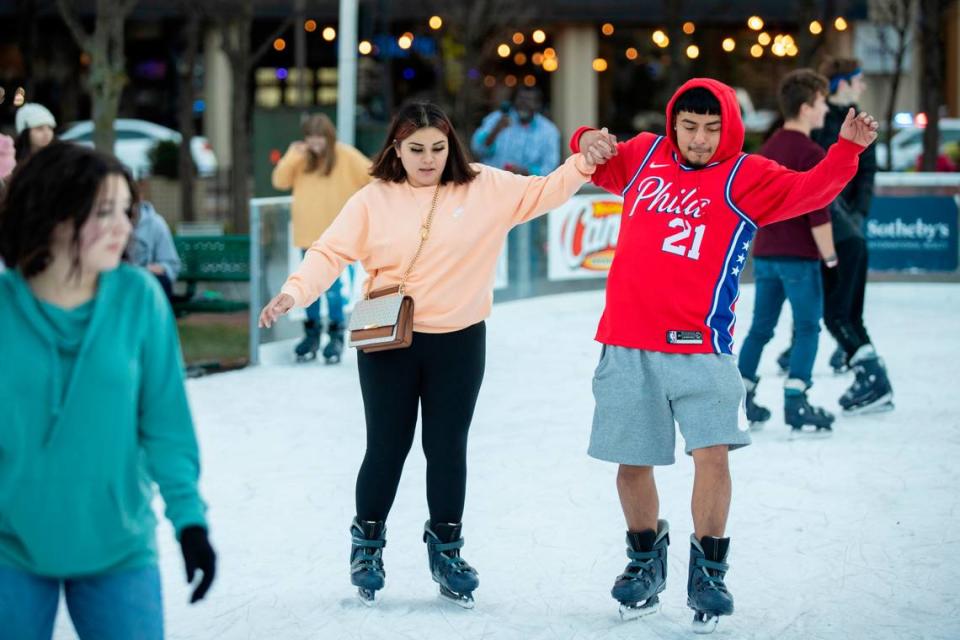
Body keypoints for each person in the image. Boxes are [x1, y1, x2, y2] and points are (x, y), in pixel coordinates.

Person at [260, 102, 604, 607]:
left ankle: (446, 547)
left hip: (459, 340)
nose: (428, 159)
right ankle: (367, 546)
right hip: (388, 340)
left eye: (437, 149)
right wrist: (295, 292)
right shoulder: (373, 199)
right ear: (396, 149)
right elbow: (329, 252)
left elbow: (543, 191)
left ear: (451, 147)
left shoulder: (485, 186)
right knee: (387, 447)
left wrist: (583, 161)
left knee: (447, 447)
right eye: (416, 149)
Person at [572, 78, 878, 632]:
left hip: (702, 349)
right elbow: (592, 153)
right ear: (674, 123)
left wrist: (846, 151)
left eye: (713, 128)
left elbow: (812, 191)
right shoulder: (645, 155)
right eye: (689, 126)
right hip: (627, 341)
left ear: (730, 127)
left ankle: (709, 571)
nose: (700, 139)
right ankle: (645, 559)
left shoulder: (748, 175)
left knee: (713, 456)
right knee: (631, 463)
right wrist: (588, 136)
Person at [0, 142, 216, 640]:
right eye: (104, 212)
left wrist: (190, 521)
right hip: (11, 546)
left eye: (126, 210)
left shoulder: (139, 298)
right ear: (53, 212)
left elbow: (166, 424)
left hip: (117, 544)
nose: (124, 226)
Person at [738, 70, 839, 435]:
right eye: (822, 102)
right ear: (806, 107)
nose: (826, 109)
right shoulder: (812, 153)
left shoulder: (768, 149)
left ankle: (742, 395)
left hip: (766, 254)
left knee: (761, 328)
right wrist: (831, 259)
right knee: (808, 326)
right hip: (798, 256)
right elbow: (819, 211)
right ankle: (797, 401)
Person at [802, 57, 892, 414]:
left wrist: (854, 216)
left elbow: (865, 175)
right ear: (842, 82)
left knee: (840, 311)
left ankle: (870, 375)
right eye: (858, 79)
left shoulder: (858, 123)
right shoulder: (821, 121)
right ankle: (865, 369)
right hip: (826, 225)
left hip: (840, 229)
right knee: (837, 308)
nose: (864, 85)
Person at [271, 113, 372, 364]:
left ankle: (336, 334)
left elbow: (373, 177)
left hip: (341, 238)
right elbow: (279, 181)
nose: (315, 145)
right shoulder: (302, 158)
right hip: (310, 236)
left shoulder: (346, 156)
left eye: (319, 139)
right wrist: (293, 155)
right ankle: (312, 333)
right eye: (311, 139)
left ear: (328, 137)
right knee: (308, 288)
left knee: (336, 289)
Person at [470, 86, 561, 176]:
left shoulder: (549, 131)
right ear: (514, 101)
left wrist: (523, 171)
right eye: (521, 99)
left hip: (528, 187)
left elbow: (549, 167)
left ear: (538, 105)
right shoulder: (496, 119)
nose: (524, 104)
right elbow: (477, 149)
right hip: (493, 183)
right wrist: (496, 130)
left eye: (529, 100)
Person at [131, 198, 182, 303]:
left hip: (147, 280)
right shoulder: (109, 224)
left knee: (160, 281)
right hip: (121, 279)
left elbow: (171, 265)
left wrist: (156, 268)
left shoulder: (156, 223)